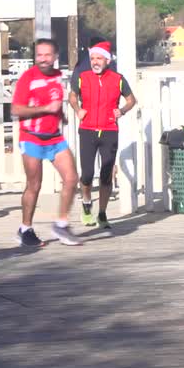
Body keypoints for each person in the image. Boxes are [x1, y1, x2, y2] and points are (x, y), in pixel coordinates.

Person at [11, 39, 82, 247]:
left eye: (47, 55)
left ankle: (61, 224)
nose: (43, 59)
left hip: (54, 136)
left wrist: (60, 115)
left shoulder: (59, 77)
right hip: (31, 136)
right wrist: (45, 110)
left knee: (71, 178)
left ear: (55, 56)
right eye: (39, 55)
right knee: (34, 184)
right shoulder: (28, 78)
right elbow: (16, 110)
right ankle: (25, 229)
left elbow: (55, 102)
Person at [68, 41, 136, 229]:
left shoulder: (118, 79)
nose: (95, 62)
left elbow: (131, 100)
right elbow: (72, 96)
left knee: (106, 174)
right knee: (88, 174)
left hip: (109, 130)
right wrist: (77, 109)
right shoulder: (82, 77)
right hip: (88, 130)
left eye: (99, 58)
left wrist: (121, 111)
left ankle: (103, 213)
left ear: (107, 60)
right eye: (92, 58)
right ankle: (87, 203)